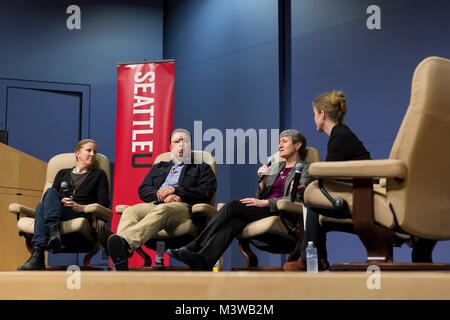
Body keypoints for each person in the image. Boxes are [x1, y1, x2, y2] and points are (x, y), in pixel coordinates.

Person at [167, 129, 314, 271]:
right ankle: (203, 261)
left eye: (284, 141)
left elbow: (298, 198)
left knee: (232, 206)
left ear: (298, 145)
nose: (279, 145)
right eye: (279, 142)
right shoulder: (277, 166)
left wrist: (267, 202)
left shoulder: (306, 169)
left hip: (283, 214)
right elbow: (260, 196)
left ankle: (195, 245)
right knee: (234, 222)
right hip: (265, 209)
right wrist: (263, 182)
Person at [284, 90, 371, 271]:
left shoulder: (339, 137)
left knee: (315, 205)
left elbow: (328, 177)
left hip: (363, 198)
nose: (314, 119)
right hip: (357, 192)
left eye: (315, 114)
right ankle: (318, 259)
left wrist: (307, 188)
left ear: (322, 114)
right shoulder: (340, 135)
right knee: (315, 204)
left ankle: (310, 260)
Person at [108, 128, 217, 271]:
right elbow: (143, 189)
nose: (181, 144)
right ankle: (121, 254)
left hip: (183, 207)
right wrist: (163, 196)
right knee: (131, 211)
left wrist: (177, 191)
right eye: (176, 141)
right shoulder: (160, 167)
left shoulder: (202, 168)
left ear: (190, 145)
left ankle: (124, 244)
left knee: (163, 209)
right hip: (157, 203)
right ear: (170, 147)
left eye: (185, 141)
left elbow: (206, 191)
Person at [18, 139, 110, 270]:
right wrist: (61, 201)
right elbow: (50, 197)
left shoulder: (98, 175)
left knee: (40, 208)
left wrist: (80, 207)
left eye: (95, 152)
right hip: (58, 212)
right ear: (78, 153)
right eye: (88, 150)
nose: (92, 154)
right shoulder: (62, 173)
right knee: (49, 195)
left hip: (79, 213)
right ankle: (52, 232)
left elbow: (104, 202)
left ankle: (37, 255)